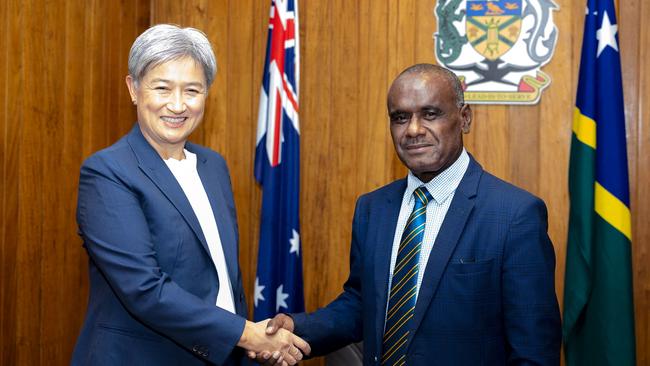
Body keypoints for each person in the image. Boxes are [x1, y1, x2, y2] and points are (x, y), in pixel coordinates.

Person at [257, 64, 561, 365]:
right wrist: (298, 328)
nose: (413, 130)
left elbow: (534, 352)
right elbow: (363, 303)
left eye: (430, 114)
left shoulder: (515, 215)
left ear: (464, 118)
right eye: (400, 118)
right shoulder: (372, 209)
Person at [71, 24, 310, 366]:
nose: (178, 104)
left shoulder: (213, 166)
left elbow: (225, 282)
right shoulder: (107, 172)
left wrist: (251, 343)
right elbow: (144, 289)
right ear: (134, 89)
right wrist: (245, 333)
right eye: (162, 88)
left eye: (192, 90)